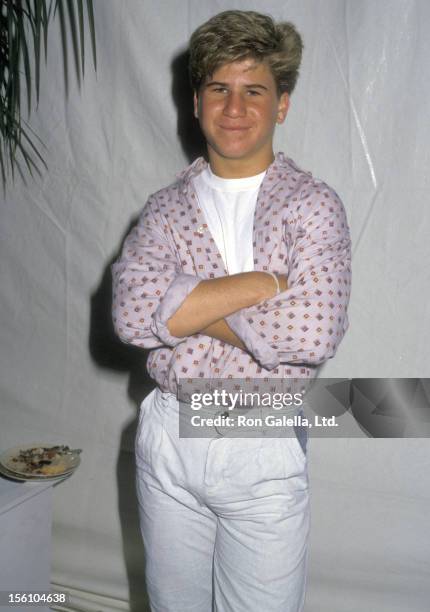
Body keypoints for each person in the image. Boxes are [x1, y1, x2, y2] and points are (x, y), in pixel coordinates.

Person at [112, 9, 351, 612]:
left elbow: (314, 332)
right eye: (219, 88)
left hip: (262, 437)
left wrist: (185, 309)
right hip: (169, 436)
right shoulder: (163, 209)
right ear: (196, 102)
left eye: (255, 90)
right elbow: (129, 313)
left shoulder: (313, 204)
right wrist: (265, 282)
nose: (235, 107)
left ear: (283, 104)